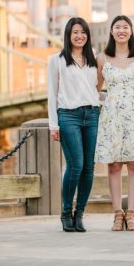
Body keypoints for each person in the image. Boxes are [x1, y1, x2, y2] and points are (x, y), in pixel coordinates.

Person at [94, 14, 134, 231]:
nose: (121, 30)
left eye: (125, 27)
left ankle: (132, 213)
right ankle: (117, 213)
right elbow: (96, 89)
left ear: (131, 31)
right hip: (112, 116)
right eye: (117, 27)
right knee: (115, 165)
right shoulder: (101, 58)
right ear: (111, 31)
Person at [47, 16, 101, 234]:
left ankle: (79, 215)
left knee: (89, 168)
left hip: (92, 115)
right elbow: (52, 93)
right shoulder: (57, 60)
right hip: (68, 116)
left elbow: (95, 90)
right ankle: (65, 212)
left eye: (83, 32)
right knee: (75, 165)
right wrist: (53, 124)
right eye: (75, 32)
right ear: (68, 35)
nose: (79, 36)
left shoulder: (94, 58)